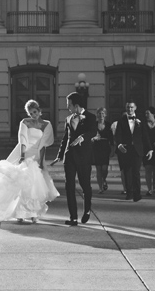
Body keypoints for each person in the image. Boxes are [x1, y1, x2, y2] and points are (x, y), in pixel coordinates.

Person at [0, 99, 58, 222]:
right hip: (26, 155)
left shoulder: (47, 124)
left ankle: (33, 214)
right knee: (22, 184)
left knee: (35, 186)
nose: (33, 115)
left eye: (35, 112)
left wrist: (41, 161)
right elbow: (23, 140)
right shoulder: (25, 122)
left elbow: (44, 144)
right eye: (31, 113)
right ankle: (20, 214)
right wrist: (22, 156)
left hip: (37, 155)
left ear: (39, 111)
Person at [52, 92, 97, 226]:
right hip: (69, 156)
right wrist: (59, 155)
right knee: (69, 187)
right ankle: (73, 217)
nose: (68, 108)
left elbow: (93, 132)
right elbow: (65, 138)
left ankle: (87, 210)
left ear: (76, 105)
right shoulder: (68, 119)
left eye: (69, 105)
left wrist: (82, 137)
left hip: (84, 157)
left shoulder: (90, 117)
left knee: (85, 185)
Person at [114, 101, 153, 202]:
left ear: (135, 108)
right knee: (127, 171)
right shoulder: (121, 120)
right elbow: (118, 135)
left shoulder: (141, 120)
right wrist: (119, 145)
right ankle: (129, 192)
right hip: (126, 150)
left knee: (136, 172)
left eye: (131, 107)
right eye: (128, 107)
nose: (129, 109)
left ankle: (137, 194)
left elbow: (145, 136)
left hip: (137, 150)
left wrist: (150, 149)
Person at [92, 107, 113, 194]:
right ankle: (100, 187)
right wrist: (93, 138)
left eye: (103, 114)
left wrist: (112, 149)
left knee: (104, 168)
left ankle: (104, 179)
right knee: (98, 168)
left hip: (105, 148)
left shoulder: (108, 125)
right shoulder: (94, 124)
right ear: (97, 115)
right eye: (99, 113)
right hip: (96, 147)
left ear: (105, 115)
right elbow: (90, 135)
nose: (101, 115)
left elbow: (111, 138)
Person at [143, 107, 155, 196]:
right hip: (146, 149)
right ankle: (149, 189)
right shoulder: (143, 124)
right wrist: (149, 147)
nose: (146, 115)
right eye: (145, 113)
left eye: (148, 113)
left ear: (153, 114)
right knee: (148, 168)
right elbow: (144, 137)